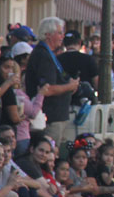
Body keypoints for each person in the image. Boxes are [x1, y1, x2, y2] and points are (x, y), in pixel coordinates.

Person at [25, 17, 79, 145]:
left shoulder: (47, 54)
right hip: (51, 118)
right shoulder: (43, 55)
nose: (63, 36)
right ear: (48, 35)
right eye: (60, 33)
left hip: (57, 116)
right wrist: (69, 86)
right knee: (50, 152)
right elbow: (47, 89)